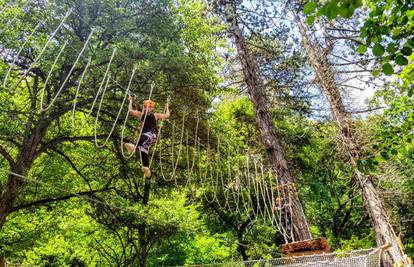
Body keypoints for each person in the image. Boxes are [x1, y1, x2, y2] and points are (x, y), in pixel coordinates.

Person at [124, 96, 170, 177]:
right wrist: (130, 101)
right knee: (143, 149)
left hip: (152, 135)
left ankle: (134, 146)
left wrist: (167, 107)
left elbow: (167, 115)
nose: (148, 108)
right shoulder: (140, 115)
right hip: (145, 137)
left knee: (144, 137)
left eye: (150, 107)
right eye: (146, 106)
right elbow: (130, 111)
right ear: (144, 107)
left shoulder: (155, 115)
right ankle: (146, 168)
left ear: (152, 108)